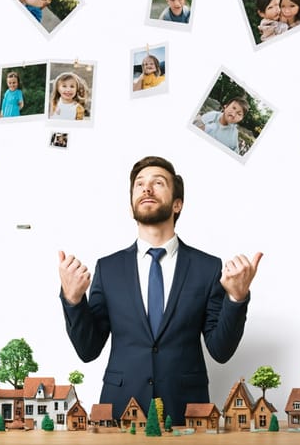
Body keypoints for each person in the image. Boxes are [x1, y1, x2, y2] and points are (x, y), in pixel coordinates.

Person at [58, 156, 261, 426]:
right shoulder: (108, 269)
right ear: (132, 205)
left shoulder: (208, 267)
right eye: (139, 184)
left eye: (158, 183)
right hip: (121, 408)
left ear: (177, 204)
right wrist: (73, 300)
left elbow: (220, 350)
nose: (146, 188)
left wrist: (236, 298)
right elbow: (88, 349)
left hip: (186, 409)